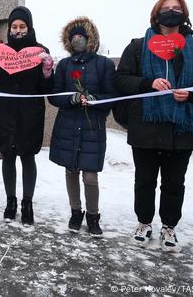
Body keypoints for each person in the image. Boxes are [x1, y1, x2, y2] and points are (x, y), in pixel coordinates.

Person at [114, 0, 193, 252]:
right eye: (166, 8)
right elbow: (121, 79)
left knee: (174, 181)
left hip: (180, 128)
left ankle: (169, 225)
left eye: (176, 8)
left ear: (184, 13)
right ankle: (144, 221)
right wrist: (147, 83)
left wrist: (192, 92)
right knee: (144, 179)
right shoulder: (137, 47)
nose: (171, 12)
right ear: (156, 14)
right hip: (146, 127)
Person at [0, 6, 53, 225]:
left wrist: (47, 71)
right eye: (14, 27)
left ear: (29, 27)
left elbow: (46, 86)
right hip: (4, 112)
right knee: (7, 156)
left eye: (22, 26)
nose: (18, 31)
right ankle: (10, 201)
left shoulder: (40, 50)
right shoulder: (1, 51)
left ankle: (27, 203)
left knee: (28, 157)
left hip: (30, 114)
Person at [49, 17, 115, 237]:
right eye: (73, 37)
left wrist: (95, 100)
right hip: (68, 125)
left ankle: (93, 216)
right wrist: (71, 98)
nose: (77, 40)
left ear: (90, 38)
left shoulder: (104, 64)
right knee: (71, 171)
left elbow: (111, 96)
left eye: (81, 36)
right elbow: (54, 96)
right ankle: (75, 211)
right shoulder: (65, 65)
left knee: (90, 176)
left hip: (91, 126)